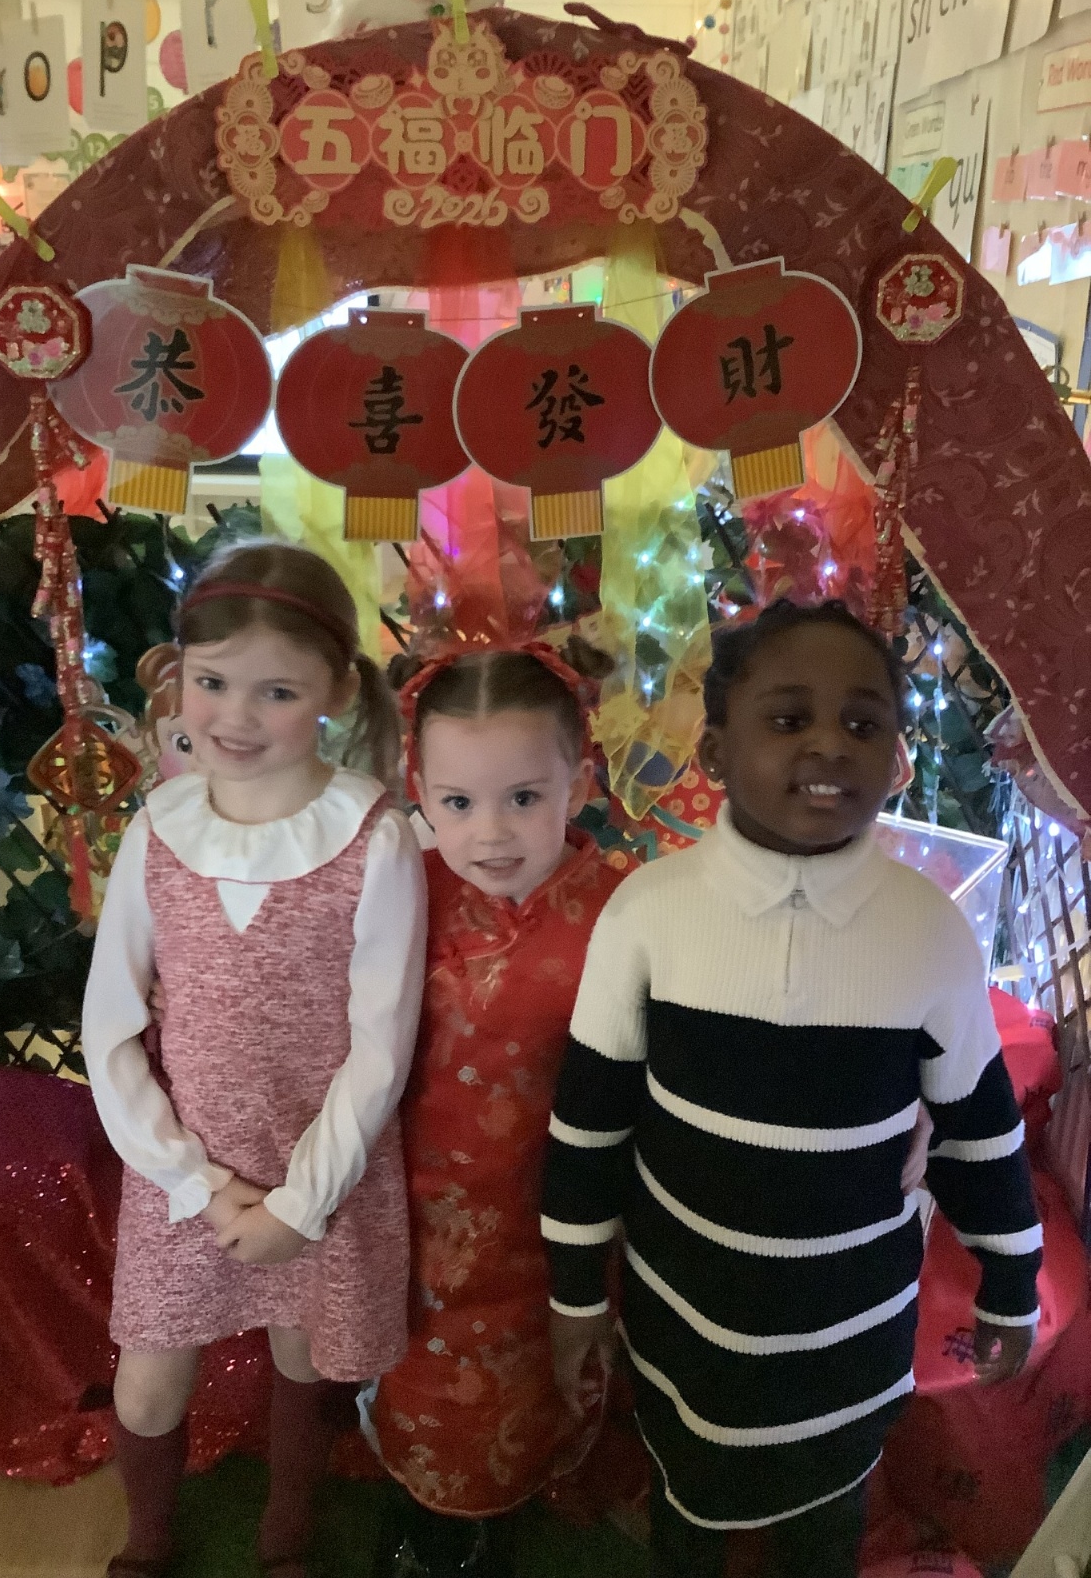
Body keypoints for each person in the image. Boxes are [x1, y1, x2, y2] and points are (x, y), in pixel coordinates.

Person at [541, 599, 1042, 1578]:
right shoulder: (649, 916)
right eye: (787, 717)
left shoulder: (928, 931)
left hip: (849, 1339)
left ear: (897, 756)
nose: (829, 743)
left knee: (826, 1527)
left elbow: (979, 1126)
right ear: (717, 749)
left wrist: (1012, 1281)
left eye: (863, 722)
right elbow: (589, 1124)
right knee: (687, 1521)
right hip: (686, 1323)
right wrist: (573, 1292)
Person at [82, 540, 428, 1578]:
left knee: (301, 1356)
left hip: (319, 1171)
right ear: (179, 673)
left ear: (334, 692)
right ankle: (148, 1540)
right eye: (215, 681)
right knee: (149, 1382)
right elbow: (111, 1028)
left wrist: (299, 1202)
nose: (236, 716)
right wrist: (192, 1180)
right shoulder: (156, 831)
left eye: (277, 691)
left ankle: (288, 1533)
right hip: (181, 1174)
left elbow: (381, 1046)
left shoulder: (374, 839)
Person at [369, 641, 632, 1578]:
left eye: (523, 797)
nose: (489, 833)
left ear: (579, 781)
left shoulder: (624, 913)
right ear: (417, 791)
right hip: (410, 1218)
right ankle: (434, 1529)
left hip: (553, 1219)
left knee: (537, 1383)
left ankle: (509, 1514)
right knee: (422, 1385)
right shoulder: (400, 889)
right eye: (457, 802)